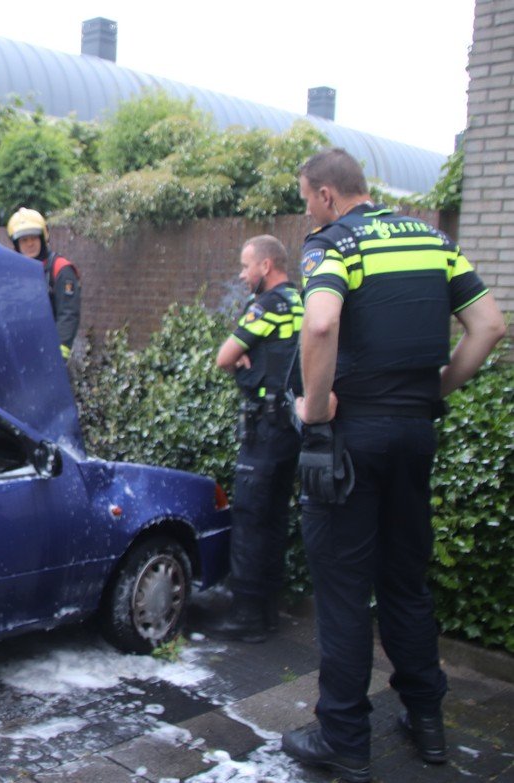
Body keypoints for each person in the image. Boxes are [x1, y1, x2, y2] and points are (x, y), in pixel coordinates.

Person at [281, 148, 505, 783]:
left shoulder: (335, 241)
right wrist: (433, 392)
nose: (307, 210)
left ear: (326, 195)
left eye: (305, 198)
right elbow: (488, 325)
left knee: (346, 591)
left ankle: (344, 739)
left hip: (351, 441)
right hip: (413, 434)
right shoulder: (432, 239)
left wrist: (317, 407)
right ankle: (426, 722)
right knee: (406, 581)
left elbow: (320, 324)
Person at [206, 235, 303, 643]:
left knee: (248, 518)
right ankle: (266, 612)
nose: (243, 275)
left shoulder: (266, 306)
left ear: (266, 266)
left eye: (246, 266)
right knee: (275, 517)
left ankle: (246, 616)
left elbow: (224, 357)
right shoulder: (300, 301)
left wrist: (244, 357)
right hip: (291, 429)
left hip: (264, 430)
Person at [7, 208, 81, 360]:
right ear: (16, 244)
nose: (29, 244)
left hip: (52, 354)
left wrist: (59, 355)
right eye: (24, 240)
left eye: (33, 238)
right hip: (23, 354)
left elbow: (68, 314)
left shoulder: (60, 269)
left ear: (43, 237)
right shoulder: (13, 273)